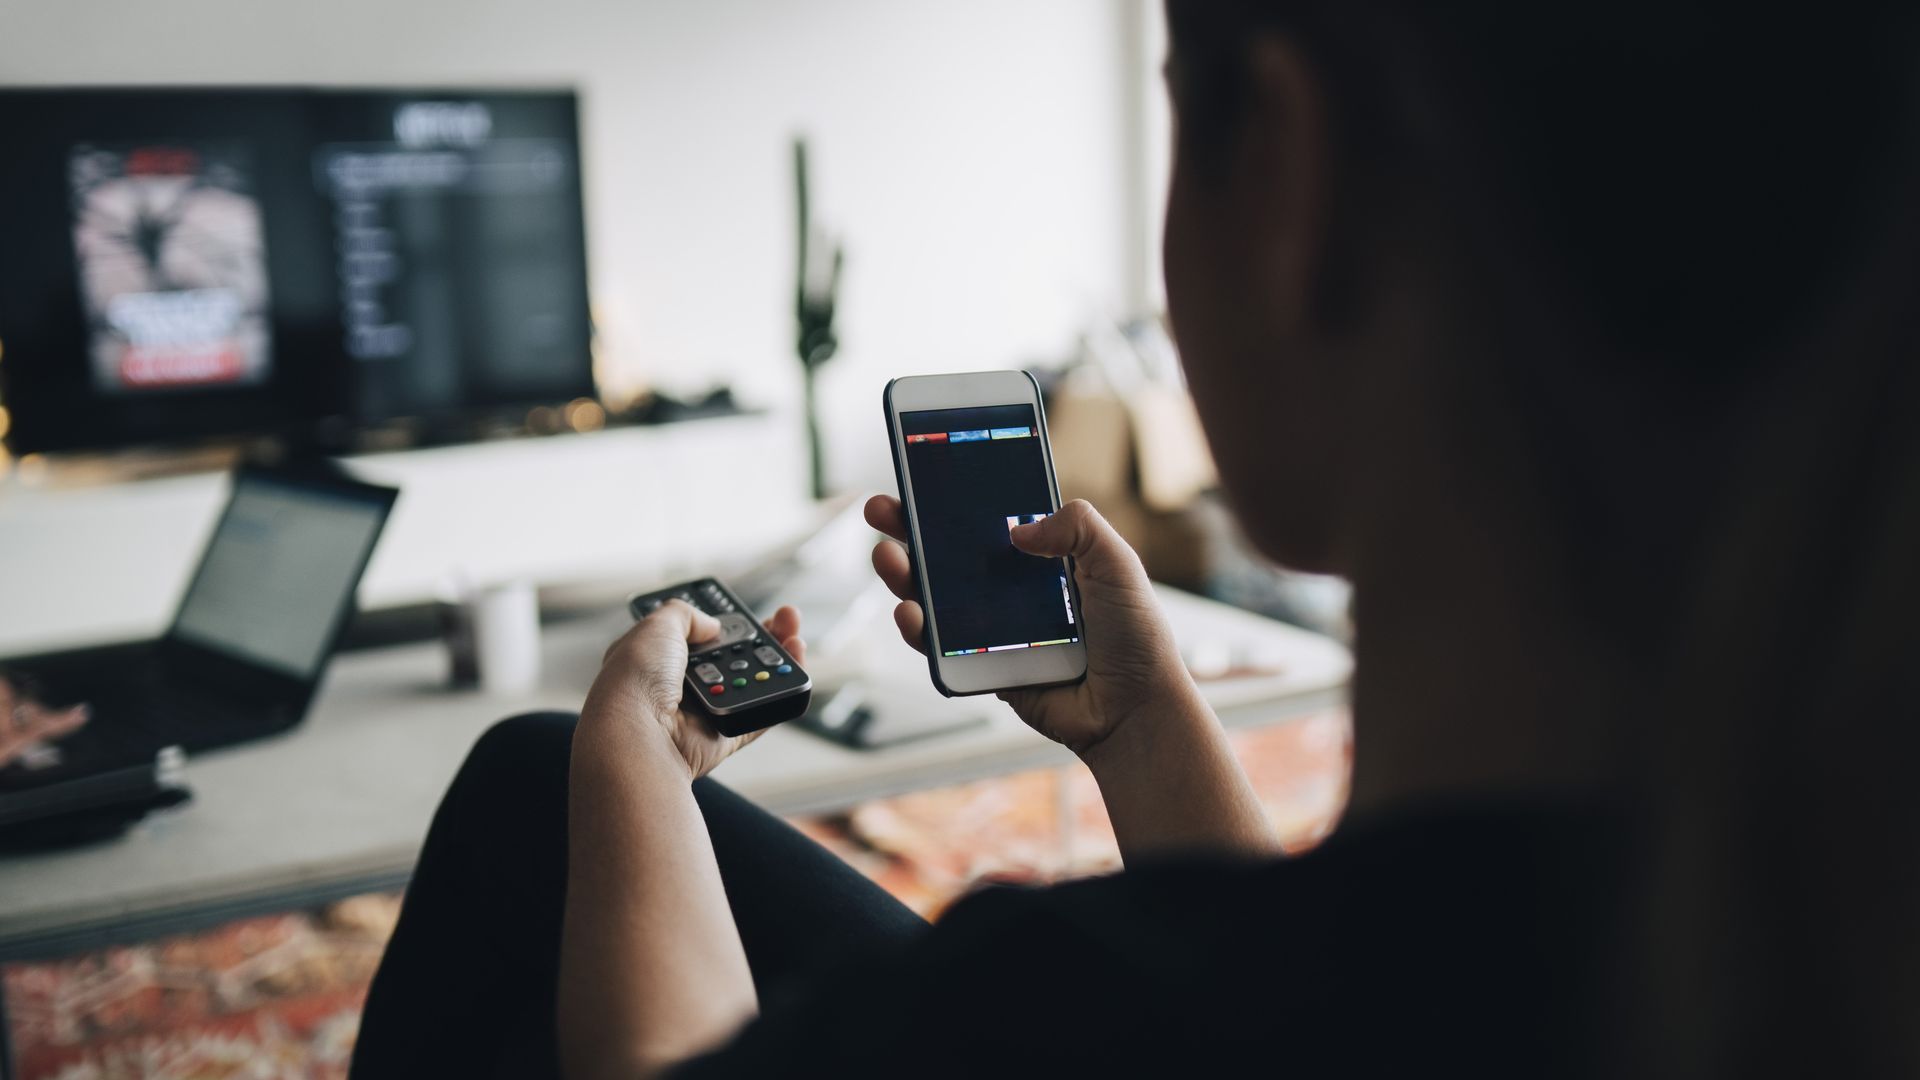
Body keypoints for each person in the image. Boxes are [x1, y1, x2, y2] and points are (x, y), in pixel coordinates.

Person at [352, 2, 1920, 1077]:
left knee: (537, 789)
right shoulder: (1794, 907)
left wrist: (631, 759)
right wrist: (1151, 726)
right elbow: (1336, 989)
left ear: (1289, 178)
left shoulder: (1050, 1017)